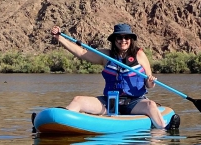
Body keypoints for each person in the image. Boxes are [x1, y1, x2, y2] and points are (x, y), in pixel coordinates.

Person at [50, 23, 179, 130]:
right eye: (119, 38)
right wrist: (59, 38)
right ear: (114, 40)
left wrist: (151, 81)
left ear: (131, 40)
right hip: (110, 101)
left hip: (134, 102)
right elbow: (81, 52)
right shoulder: (105, 56)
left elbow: (149, 84)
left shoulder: (139, 55)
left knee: (151, 105)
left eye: (126, 37)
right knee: (77, 100)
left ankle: (164, 128)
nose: (123, 40)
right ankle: (57, 124)